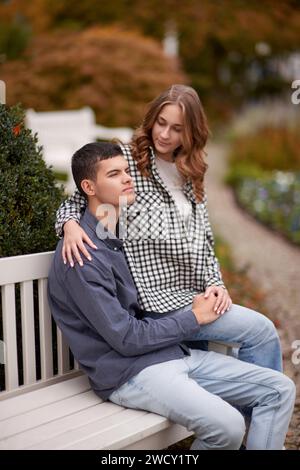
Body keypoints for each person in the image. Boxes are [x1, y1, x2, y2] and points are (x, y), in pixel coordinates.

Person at [48, 142, 295, 450]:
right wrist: (193, 318)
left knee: (280, 389)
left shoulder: (115, 225)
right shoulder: (82, 257)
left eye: (127, 171)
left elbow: (201, 245)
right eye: (115, 174)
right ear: (89, 186)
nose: (128, 178)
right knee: (229, 427)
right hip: (128, 372)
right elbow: (125, 338)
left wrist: (209, 287)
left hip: (168, 353)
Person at [55, 84, 282, 375]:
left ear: (191, 132)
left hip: (196, 296)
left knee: (229, 365)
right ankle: (263, 408)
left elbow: (205, 241)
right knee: (261, 332)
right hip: (158, 304)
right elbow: (75, 201)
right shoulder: (128, 162)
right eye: (161, 123)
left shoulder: (192, 172)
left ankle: (254, 411)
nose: (164, 134)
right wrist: (69, 226)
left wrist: (217, 285)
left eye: (176, 128)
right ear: (152, 120)